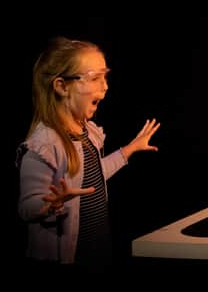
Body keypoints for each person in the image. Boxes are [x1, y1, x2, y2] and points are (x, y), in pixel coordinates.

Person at [16, 36, 161, 268]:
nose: (105, 86)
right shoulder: (44, 145)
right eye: (95, 78)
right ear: (62, 86)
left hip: (98, 252)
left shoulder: (87, 131)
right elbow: (26, 207)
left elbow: (91, 176)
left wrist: (129, 149)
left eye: (105, 76)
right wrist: (49, 204)